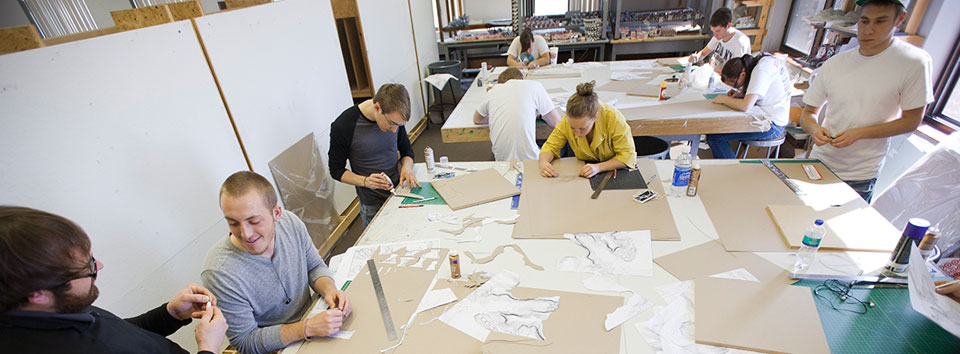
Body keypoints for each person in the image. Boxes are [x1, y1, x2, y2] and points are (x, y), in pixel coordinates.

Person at [0, 206, 228, 354]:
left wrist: (170, 314)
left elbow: (118, 334)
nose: (99, 266)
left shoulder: (60, 305)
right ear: (38, 294)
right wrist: (208, 347)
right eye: (87, 267)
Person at [201, 171, 352, 354]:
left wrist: (330, 290)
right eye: (233, 223)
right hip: (278, 347)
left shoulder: (290, 223)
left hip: (314, 321)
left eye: (254, 221)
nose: (245, 234)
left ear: (276, 213)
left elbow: (314, 266)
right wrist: (306, 328)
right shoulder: (220, 272)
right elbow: (245, 341)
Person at [800, 0, 932, 203]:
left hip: (859, 174)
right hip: (819, 163)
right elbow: (808, 115)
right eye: (864, 21)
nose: (868, 30)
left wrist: (858, 134)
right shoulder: (836, 63)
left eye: (880, 22)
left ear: (900, 19)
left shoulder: (913, 63)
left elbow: (911, 121)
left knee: (843, 231)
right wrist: (815, 129)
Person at [328, 83, 419, 227]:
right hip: (372, 204)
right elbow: (336, 170)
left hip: (400, 192)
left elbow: (407, 151)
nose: (394, 130)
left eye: (399, 126)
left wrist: (406, 168)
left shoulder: (395, 119)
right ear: (377, 107)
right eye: (391, 124)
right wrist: (365, 181)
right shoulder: (344, 125)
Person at [539, 81, 637, 178]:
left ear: (595, 117)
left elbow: (628, 156)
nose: (577, 133)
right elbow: (550, 146)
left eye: (582, 128)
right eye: (572, 128)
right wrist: (544, 163)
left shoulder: (613, 118)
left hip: (613, 170)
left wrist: (598, 168)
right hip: (584, 170)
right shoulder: (566, 121)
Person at [706, 53, 793, 158]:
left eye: (735, 84)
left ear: (742, 74)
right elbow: (766, 91)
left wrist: (724, 99)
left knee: (715, 136)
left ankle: (732, 170)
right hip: (770, 117)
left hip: (772, 125)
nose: (737, 87)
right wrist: (742, 94)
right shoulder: (760, 61)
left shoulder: (761, 70)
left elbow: (745, 106)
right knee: (717, 131)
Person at [473, 68, 562, 161]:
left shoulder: (493, 91)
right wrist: (539, 115)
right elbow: (557, 123)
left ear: (500, 83)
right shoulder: (534, 86)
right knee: (560, 148)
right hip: (532, 161)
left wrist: (493, 118)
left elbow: (476, 119)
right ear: (522, 79)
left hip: (501, 161)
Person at [689, 8, 752, 72]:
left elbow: (736, 72)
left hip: (727, 78)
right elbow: (703, 53)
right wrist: (697, 57)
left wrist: (717, 69)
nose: (715, 34)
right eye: (713, 31)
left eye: (718, 31)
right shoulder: (718, 36)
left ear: (728, 26)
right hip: (715, 73)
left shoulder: (740, 43)